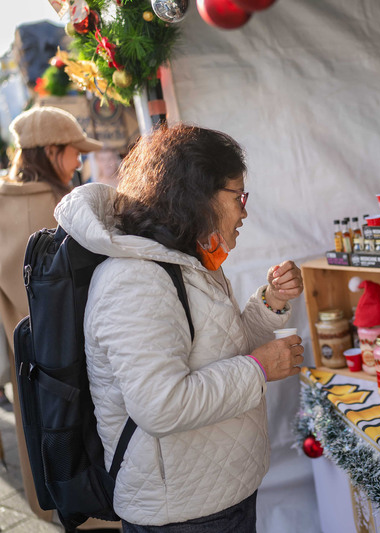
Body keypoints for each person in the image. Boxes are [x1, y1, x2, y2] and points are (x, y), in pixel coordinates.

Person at [53, 124, 305, 532]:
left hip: (215, 493)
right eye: (237, 196)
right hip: (182, 514)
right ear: (196, 197)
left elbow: (222, 347)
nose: (244, 210)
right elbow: (161, 404)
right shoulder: (135, 280)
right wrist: (259, 368)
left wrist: (270, 303)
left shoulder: (185, 260)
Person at [0, 106, 102, 520]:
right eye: (74, 150)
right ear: (52, 151)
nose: (79, 160)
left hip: (27, 373)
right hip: (82, 368)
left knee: (49, 470)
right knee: (93, 475)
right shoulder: (70, 211)